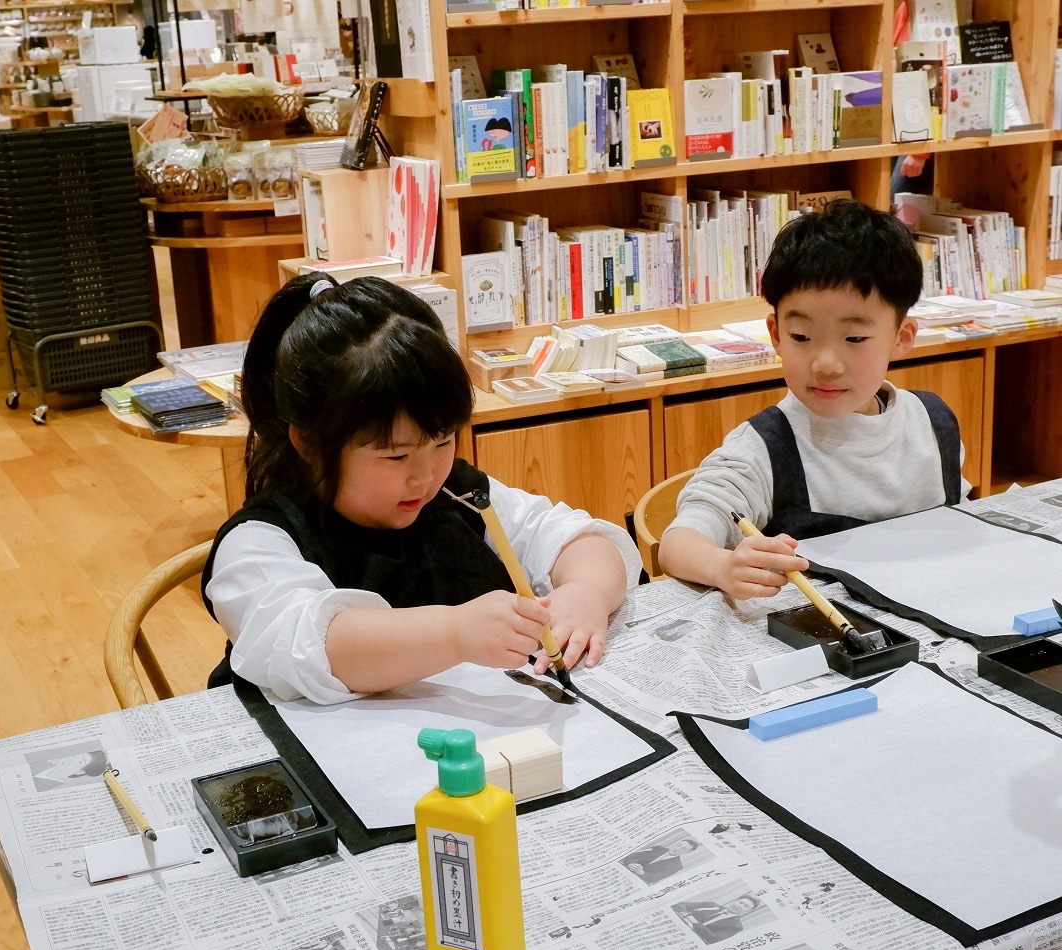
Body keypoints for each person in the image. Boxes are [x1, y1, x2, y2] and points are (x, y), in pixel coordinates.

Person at [202, 274, 640, 702]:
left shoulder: (460, 496)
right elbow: (312, 646)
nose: (426, 475)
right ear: (310, 443)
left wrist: (585, 593)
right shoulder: (261, 541)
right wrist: (454, 633)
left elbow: (577, 539)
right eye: (396, 455)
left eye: (443, 441)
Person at [659, 198, 969, 598]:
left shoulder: (933, 423)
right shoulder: (762, 448)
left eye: (854, 339)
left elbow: (960, 523)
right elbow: (678, 543)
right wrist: (723, 565)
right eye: (801, 338)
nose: (826, 364)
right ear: (775, 335)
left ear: (901, 337)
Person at [675, 895, 761, 944]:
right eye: (740, 902)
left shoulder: (736, 926)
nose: (739, 906)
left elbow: (714, 939)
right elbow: (681, 904)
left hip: (690, 940)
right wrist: (683, 914)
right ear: (735, 901)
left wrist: (694, 922)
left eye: (745, 906)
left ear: (748, 911)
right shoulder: (712, 906)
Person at [624, 837, 701, 884]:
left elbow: (656, 877)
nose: (677, 848)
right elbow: (634, 855)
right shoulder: (658, 848)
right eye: (678, 845)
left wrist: (642, 873)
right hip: (626, 869)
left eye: (683, 849)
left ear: (687, 852)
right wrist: (630, 864)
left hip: (639, 879)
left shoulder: (677, 866)